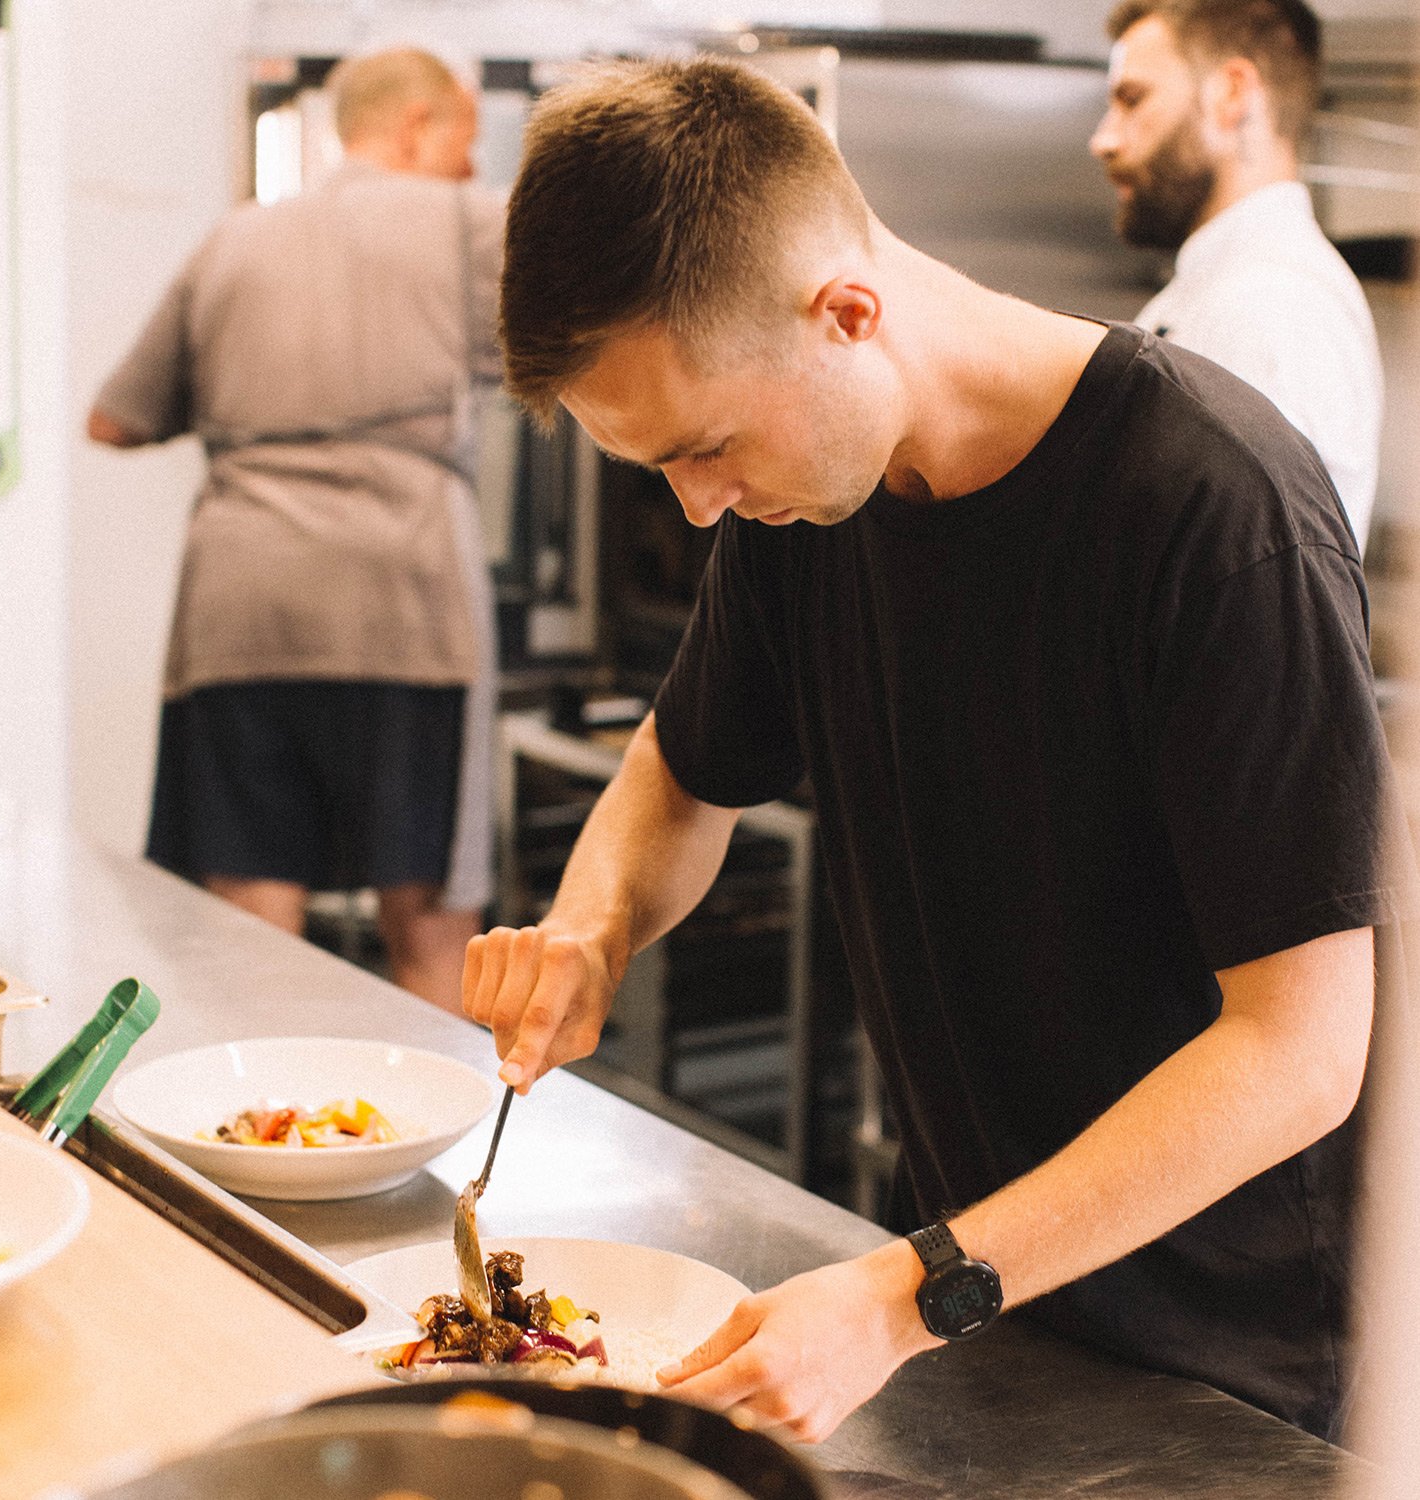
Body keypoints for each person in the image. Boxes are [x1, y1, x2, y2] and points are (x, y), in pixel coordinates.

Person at [462, 55, 1413, 1445]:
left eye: (708, 447)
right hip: (990, 1316)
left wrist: (913, 1292)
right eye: (661, 465)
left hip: (1244, 1378)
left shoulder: (1214, 511)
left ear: (847, 313)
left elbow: (1301, 1050)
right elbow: (682, 769)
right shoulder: (810, 505)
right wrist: (591, 931)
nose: (703, 503)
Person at [87, 48, 504, 1015]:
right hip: (406, 608)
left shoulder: (233, 240)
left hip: (239, 611)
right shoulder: (472, 225)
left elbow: (115, 420)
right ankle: (436, 1156)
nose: (469, 169)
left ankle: (257, 1154)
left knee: (249, 923)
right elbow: (588, 356)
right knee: (434, 930)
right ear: (414, 125)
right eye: (463, 143)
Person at [1090, 0, 1384, 553]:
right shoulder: (1228, 287)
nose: (1103, 139)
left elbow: (1228, 594)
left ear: (1232, 94)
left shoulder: (1272, 304)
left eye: (1133, 99)